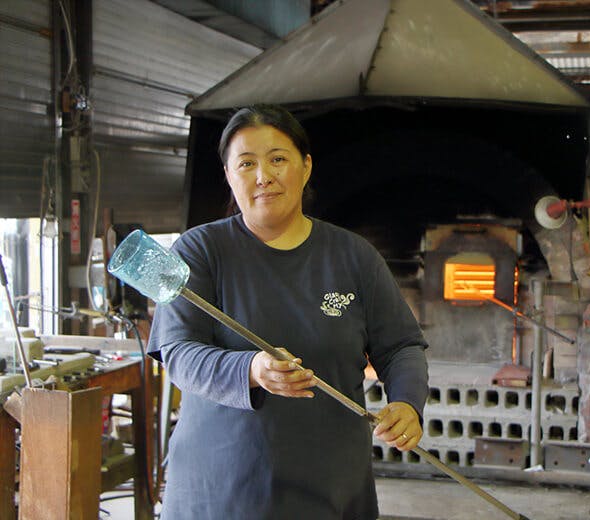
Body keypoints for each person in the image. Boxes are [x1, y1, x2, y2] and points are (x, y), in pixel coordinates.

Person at [147, 104, 429, 519]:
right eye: (246, 163)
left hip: (330, 488)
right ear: (228, 175)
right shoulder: (197, 251)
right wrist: (251, 369)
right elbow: (179, 353)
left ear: (306, 166)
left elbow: (402, 345)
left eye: (278, 159)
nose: (264, 176)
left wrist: (406, 402)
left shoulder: (353, 256)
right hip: (220, 491)